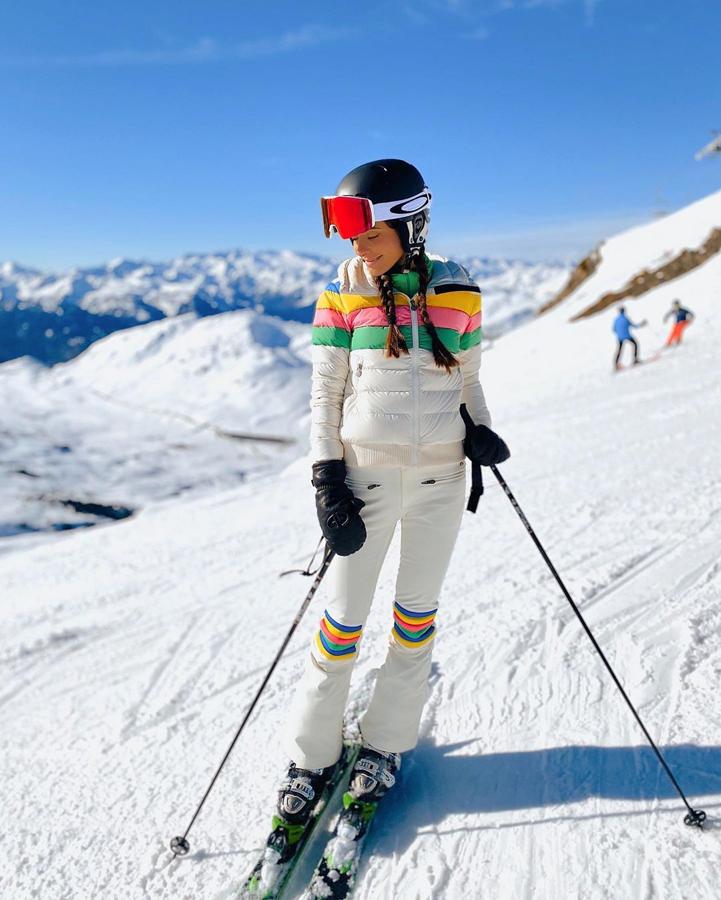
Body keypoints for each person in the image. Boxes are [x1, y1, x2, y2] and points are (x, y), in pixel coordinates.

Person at [276, 160, 509, 833]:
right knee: (341, 624)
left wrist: (483, 433)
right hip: (365, 481)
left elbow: (468, 382)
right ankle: (310, 756)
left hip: (441, 482)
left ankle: (385, 746)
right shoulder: (342, 292)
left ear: (409, 223)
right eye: (346, 232)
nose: (355, 245)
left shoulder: (459, 293)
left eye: (366, 230)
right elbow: (324, 392)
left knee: (415, 619)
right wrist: (326, 478)